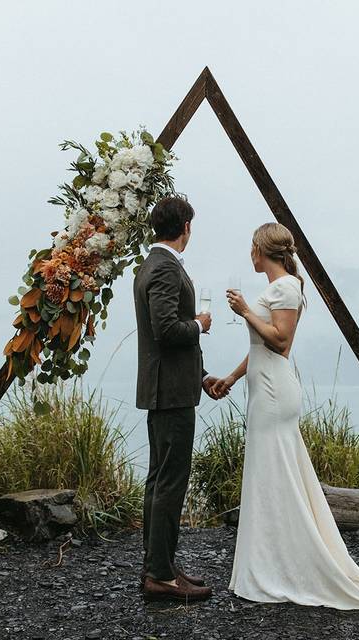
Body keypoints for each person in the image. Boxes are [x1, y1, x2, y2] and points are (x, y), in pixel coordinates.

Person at [214, 222, 359, 610]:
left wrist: (243, 311)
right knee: (269, 474)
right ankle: (271, 561)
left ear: (262, 250)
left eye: (252, 248)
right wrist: (232, 377)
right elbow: (261, 345)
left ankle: (287, 565)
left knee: (276, 473)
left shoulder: (288, 286)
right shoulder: (276, 289)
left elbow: (281, 342)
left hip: (275, 393)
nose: (249, 254)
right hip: (262, 388)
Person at [133, 196, 227, 602]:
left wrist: (201, 376)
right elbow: (167, 331)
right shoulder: (166, 269)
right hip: (169, 395)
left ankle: (163, 565)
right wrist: (200, 323)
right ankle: (159, 574)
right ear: (185, 226)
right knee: (169, 481)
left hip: (169, 387)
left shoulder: (150, 265)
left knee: (160, 479)